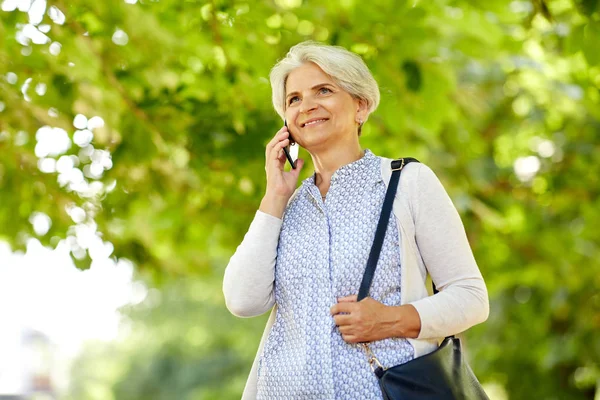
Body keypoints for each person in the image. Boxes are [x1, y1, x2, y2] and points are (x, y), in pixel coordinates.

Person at [223, 41, 489, 400]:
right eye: (294, 99)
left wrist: (390, 319)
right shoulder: (285, 206)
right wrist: (274, 197)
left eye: (324, 90)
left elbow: (471, 297)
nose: (307, 106)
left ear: (360, 106)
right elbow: (242, 300)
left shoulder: (406, 182)